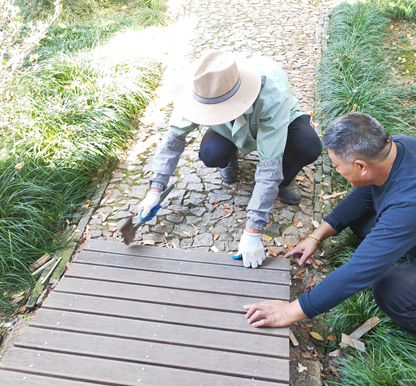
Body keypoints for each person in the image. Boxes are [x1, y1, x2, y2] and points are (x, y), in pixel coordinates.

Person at [244, 112, 416, 347]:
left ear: (361, 166)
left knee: (389, 289)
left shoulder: (410, 207)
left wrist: (290, 311)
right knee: (362, 223)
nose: (336, 171)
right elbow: (365, 195)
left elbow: (359, 271)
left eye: (337, 166)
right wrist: (318, 235)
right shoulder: (399, 148)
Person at [137, 50, 322, 268]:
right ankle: (229, 156)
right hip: (227, 129)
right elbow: (173, 140)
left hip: (281, 122)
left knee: (307, 146)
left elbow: (269, 162)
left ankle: (286, 177)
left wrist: (253, 230)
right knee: (211, 153)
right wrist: (155, 189)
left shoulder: (272, 92)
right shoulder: (200, 87)